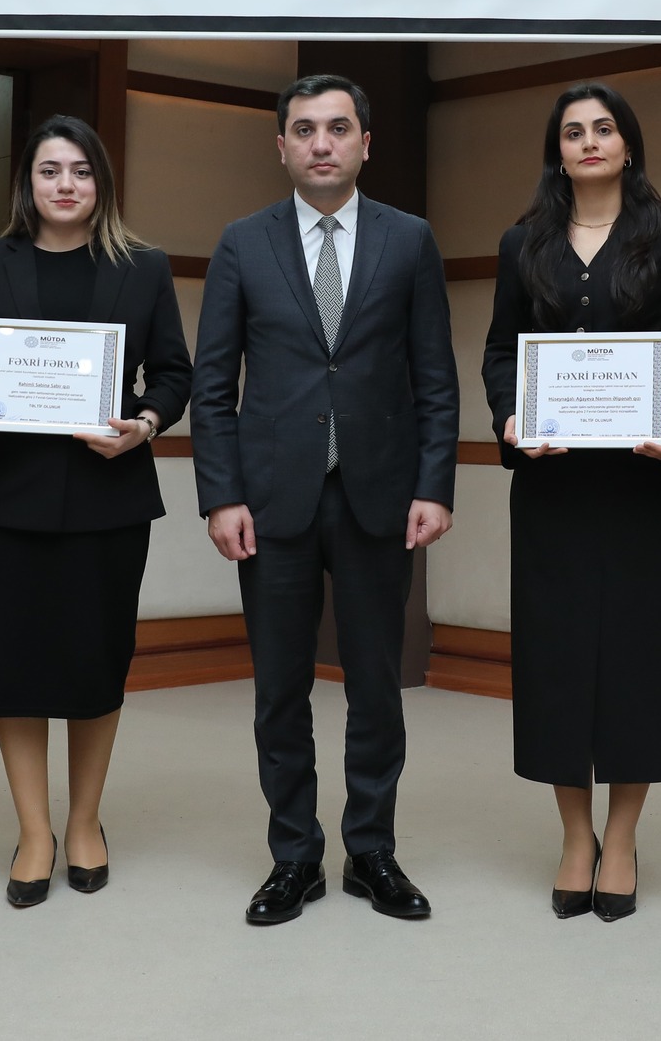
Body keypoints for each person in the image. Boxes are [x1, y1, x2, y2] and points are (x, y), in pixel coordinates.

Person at [192, 73, 459, 925]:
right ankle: (294, 857)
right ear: (281, 146)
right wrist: (221, 495)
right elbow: (211, 385)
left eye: (338, 128)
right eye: (304, 129)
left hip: (380, 495)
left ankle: (372, 850)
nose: (321, 143)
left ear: (365, 144)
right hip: (271, 501)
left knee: (377, 685)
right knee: (280, 689)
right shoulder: (243, 242)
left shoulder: (409, 239)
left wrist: (434, 484)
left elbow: (435, 376)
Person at [480, 85, 661, 922]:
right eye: (572, 132)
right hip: (551, 487)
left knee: (636, 659)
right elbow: (501, 354)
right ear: (557, 152)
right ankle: (574, 835)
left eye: (604, 128)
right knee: (554, 658)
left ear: (628, 145)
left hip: (641, 485)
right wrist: (510, 417)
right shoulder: (523, 242)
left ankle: (621, 837)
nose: (589, 141)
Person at [0, 115, 193, 906]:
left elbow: (175, 374)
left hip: (106, 497)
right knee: (11, 667)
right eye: (50, 171)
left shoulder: (143, 266)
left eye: (81, 171)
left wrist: (144, 424)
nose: (65, 185)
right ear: (28, 183)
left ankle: (85, 821)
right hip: (5, 497)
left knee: (95, 662)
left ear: (101, 183)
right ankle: (34, 831)